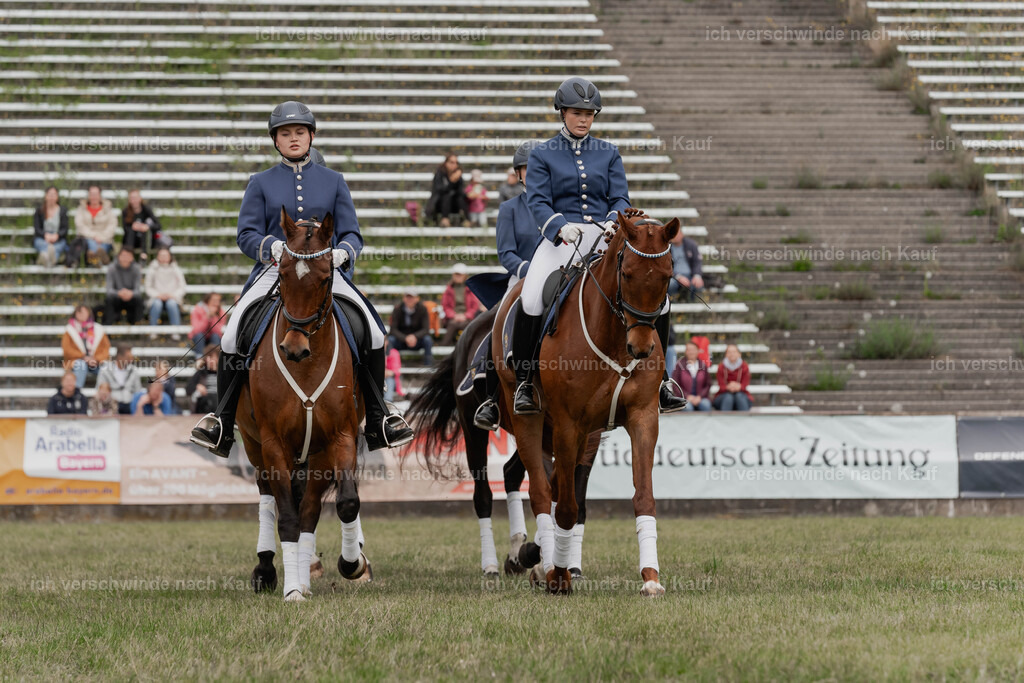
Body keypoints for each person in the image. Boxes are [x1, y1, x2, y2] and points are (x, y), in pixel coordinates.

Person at [191, 101, 413, 457]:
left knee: (373, 328)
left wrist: (344, 252)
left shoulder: (334, 181)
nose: (292, 138)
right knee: (232, 333)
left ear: (311, 136)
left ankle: (377, 416)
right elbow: (245, 234)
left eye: (299, 132)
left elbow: (353, 233)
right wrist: (273, 247)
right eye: (285, 134)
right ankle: (222, 419)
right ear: (276, 141)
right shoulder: (260, 182)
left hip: (325, 269)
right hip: (275, 270)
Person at [510, 76, 686, 414]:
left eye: (590, 114)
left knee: (658, 301)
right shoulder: (544, 153)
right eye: (577, 112)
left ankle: (661, 382)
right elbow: (538, 202)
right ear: (562, 112)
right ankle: (524, 381)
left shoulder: (608, 152)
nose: (584, 119)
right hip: (562, 238)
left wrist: (612, 219)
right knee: (532, 296)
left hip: (605, 233)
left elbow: (620, 195)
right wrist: (559, 227)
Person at [474, 139, 545, 431]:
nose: (535, 173)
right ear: (519, 174)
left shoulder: (562, 206)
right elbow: (506, 252)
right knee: (502, 321)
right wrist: (528, 269)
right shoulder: (510, 208)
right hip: (524, 274)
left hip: (560, 274)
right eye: (529, 169)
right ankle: (491, 396)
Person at [62, 304, 110, 388]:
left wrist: (95, 359)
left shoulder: (98, 329)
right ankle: (76, 392)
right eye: (79, 312)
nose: (81, 315)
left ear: (89, 313)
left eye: (84, 312)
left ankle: (102, 393)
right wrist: (83, 357)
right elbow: (67, 350)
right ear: (75, 314)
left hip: (95, 362)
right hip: (76, 361)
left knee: (107, 368)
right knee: (81, 365)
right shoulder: (69, 330)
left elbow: (105, 349)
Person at [144, 247, 186, 338]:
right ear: (157, 257)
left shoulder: (176, 269)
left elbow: (182, 286)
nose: (163, 257)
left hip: (173, 297)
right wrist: (158, 295)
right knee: (156, 304)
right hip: (156, 297)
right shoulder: (152, 269)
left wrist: (173, 295)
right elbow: (148, 286)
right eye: (161, 255)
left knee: (172, 304)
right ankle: (153, 331)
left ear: (170, 257)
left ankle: (175, 331)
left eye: (165, 255)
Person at [75, 184, 118, 265]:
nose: (94, 197)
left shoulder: (108, 209)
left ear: (100, 195)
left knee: (101, 246)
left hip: (105, 239)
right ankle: (99, 259)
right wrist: (94, 236)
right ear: (88, 196)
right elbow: (80, 225)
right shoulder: (81, 209)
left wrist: (101, 237)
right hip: (86, 239)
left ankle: (94, 257)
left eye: (96, 194)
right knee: (91, 243)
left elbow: (112, 225)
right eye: (92, 194)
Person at [388, 290, 434, 366]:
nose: (410, 300)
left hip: (417, 340)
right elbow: (393, 329)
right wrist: (405, 338)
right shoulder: (397, 309)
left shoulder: (422, 309)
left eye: (412, 297)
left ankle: (428, 366)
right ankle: (391, 367)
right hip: (401, 341)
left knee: (428, 340)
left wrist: (414, 336)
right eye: (407, 297)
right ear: (404, 298)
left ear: (417, 299)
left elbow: (426, 329)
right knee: (390, 340)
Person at [441, 263, 480, 345]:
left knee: (467, 326)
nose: (458, 277)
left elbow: (474, 306)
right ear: (453, 275)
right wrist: (454, 315)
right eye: (456, 274)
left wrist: (465, 316)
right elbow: (446, 306)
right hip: (452, 318)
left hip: (467, 317)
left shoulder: (471, 288)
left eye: (460, 275)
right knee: (453, 324)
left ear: (465, 276)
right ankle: (445, 346)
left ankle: (466, 347)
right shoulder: (449, 289)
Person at [121, 189, 165, 262]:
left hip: (146, 240)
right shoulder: (126, 211)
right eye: (132, 198)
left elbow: (158, 225)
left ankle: (143, 255)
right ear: (129, 200)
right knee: (131, 231)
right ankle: (130, 255)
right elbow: (125, 229)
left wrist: (147, 227)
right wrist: (133, 226)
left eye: (135, 198)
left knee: (144, 229)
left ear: (140, 199)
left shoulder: (146, 210)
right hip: (131, 240)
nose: (134, 200)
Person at [97, 344, 142, 414]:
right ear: (119, 357)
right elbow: (99, 389)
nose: (131, 360)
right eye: (128, 357)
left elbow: (138, 391)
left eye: (131, 357)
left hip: (129, 405)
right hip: (111, 406)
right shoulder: (105, 370)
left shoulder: (134, 371)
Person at [426, 153, 468, 227]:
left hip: (454, 205)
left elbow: (461, 192)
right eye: (452, 162)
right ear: (446, 163)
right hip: (439, 205)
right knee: (446, 195)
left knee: (460, 198)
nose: (454, 165)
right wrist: (451, 182)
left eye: (456, 163)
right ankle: (445, 219)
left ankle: (466, 220)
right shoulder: (439, 174)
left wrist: (457, 181)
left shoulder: (458, 176)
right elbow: (438, 190)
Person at [104, 248, 144, 324]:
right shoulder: (111, 268)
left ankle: (138, 326)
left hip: (131, 297)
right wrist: (119, 293)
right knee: (109, 300)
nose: (125, 258)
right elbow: (109, 290)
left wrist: (130, 293)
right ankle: (109, 326)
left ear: (132, 258)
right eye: (123, 255)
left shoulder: (136, 269)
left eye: (128, 256)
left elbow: (137, 290)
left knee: (139, 300)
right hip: (116, 297)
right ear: (118, 256)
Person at [33, 186, 69, 267]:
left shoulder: (62, 211)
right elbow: (37, 229)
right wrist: (45, 235)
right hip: (43, 238)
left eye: (54, 195)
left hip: (58, 238)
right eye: (50, 194)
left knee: (59, 245)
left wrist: (57, 235)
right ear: (46, 196)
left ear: (57, 197)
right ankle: (51, 260)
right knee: (41, 244)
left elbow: (65, 229)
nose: (52, 197)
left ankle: (44, 258)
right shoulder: (39, 211)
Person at [671, 342, 711, 411]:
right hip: (684, 398)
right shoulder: (679, 365)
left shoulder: (703, 365)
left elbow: (708, 384)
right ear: (685, 352)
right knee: (688, 407)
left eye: (693, 350)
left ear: (698, 351)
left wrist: (700, 396)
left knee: (706, 405)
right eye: (689, 350)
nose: (691, 352)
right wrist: (687, 396)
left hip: (700, 398)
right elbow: (675, 384)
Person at [668, 229, 705, 302]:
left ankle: (693, 305)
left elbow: (697, 262)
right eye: (673, 234)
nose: (675, 236)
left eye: (677, 234)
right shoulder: (667, 247)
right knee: (670, 284)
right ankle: (672, 303)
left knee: (698, 284)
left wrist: (697, 275)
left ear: (682, 234)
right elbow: (666, 266)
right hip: (674, 277)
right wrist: (678, 277)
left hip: (690, 275)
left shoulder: (691, 244)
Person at [713, 343, 752, 412]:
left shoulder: (745, 366)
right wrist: (728, 387)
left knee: (739, 396)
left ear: (739, 354)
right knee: (728, 397)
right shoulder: (721, 367)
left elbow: (744, 385)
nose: (732, 354)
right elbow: (721, 386)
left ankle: (745, 421)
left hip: (741, 395)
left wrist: (737, 387)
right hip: (724, 395)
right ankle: (725, 420)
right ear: (726, 354)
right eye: (729, 352)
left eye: (734, 352)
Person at [189, 292, 226, 357]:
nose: (216, 303)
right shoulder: (197, 310)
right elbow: (197, 330)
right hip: (199, 339)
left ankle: (216, 358)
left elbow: (218, 332)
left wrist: (213, 317)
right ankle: (199, 358)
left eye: (218, 300)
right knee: (199, 335)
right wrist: (207, 317)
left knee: (215, 336)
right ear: (207, 301)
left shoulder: (221, 312)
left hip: (213, 338)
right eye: (214, 300)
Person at [186, 344, 219, 415]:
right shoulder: (201, 373)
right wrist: (197, 387)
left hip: (219, 403)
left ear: (218, 358)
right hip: (205, 404)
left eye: (211, 357)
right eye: (208, 357)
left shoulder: (223, 373)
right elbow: (188, 388)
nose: (209, 360)